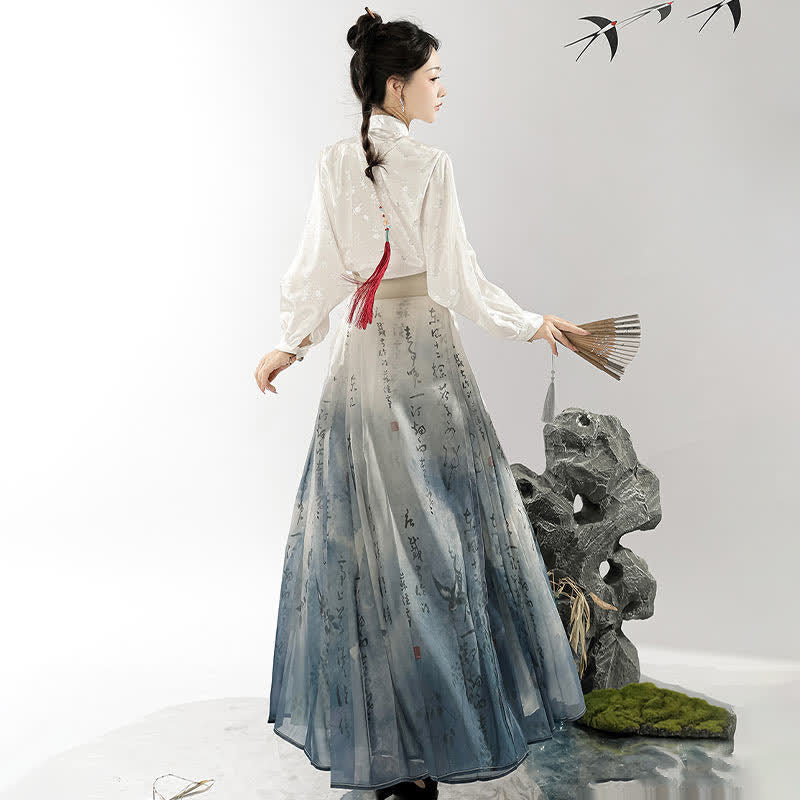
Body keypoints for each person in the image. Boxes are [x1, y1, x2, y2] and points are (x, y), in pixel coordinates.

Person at [254, 9, 590, 800]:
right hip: (424, 357)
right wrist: (531, 322)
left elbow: (318, 266)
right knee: (446, 541)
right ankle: (442, 733)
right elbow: (458, 280)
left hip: (360, 360)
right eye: (434, 77)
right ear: (396, 87)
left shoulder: (336, 161)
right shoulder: (430, 166)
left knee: (372, 545)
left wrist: (292, 342)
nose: (444, 89)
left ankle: (392, 746)